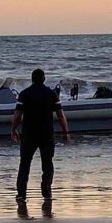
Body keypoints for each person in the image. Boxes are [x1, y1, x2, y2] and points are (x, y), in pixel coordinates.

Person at [11, 69, 69, 203]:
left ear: (32, 79)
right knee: (47, 164)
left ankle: (21, 194)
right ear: (44, 79)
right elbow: (60, 115)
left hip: (29, 134)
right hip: (46, 134)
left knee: (24, 164)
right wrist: (66, 132)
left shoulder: (24, 94)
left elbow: (17, 115)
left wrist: (13, 130)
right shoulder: (51, 94)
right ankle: (46, 191)